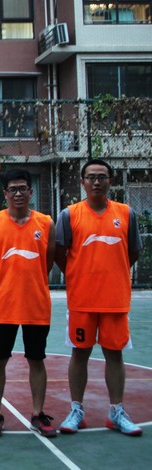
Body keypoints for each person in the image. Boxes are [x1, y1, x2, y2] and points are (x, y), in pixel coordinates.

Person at [55, 158, 143, 436]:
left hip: (115, 300)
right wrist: (79, 274)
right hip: (82, 300)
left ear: (110, 182)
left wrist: (113, 272)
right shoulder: (69, 215)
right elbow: (60, 253)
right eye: (91, 177)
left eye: (101, 177)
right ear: (82, 182)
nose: (96, 181)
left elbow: (133, 252)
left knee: (114, 354)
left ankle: (116, 411)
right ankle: (76, 410)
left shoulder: (126, 213)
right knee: (79, 353)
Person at [0, 169, 56, 437]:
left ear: (30, 192)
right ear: (5, 194)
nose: (18, 193)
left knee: (36, 359)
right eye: (12, 189)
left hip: (36, 305)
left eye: (22, 188)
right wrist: (8, 281)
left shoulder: (46, 223)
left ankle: (38, 413)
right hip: (4, 305)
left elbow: (47, 262)